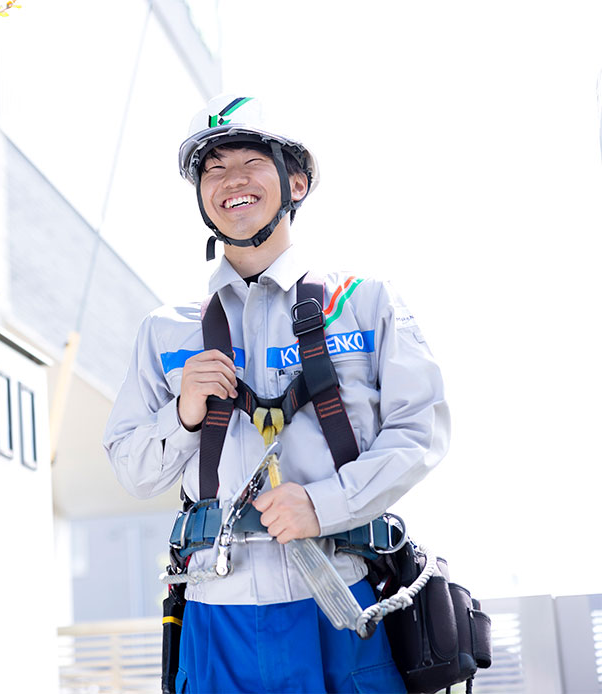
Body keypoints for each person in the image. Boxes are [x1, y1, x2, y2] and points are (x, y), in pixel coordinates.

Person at [103, 94, 450, 693]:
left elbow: (420, 432)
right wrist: (183, 414)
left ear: (297, 180)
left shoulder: (365, 303)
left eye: (249, 161)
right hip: (216, 618)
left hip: (343, 607)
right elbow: (133, 471)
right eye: (213, 169)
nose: (230, 180)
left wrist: (325, 503)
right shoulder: (167, 331)